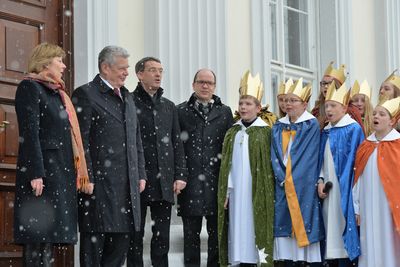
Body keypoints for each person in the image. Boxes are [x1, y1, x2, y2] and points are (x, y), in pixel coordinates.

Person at [13, 43, 91, 266]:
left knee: (48, 237)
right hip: (43, 174)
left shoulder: (57, 93)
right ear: (46, 62)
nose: (64, 65)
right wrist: (35, 172)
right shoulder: (30, 88)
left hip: (59, 173)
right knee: (37, 236)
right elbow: (30, 133)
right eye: (59, 60)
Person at [72, 45, 146, 267]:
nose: (126, 73)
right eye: (121, 68)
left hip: (128, 188)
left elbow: (136, 139)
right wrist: (87, 177)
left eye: (127, 68)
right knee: (94, 251)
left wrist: (141, 173)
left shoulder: (128, 97)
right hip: (99, 188)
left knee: (119, 250)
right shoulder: (86, 94)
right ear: (105, 67)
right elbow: (80, 141)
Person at [128, 57, 187, 267]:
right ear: (139, 74)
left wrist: (180, 175)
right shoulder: (128, 102)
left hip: (165, 181)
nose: (158, 74)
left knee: (162, 236)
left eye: (160, 70)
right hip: (138, 179)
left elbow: (176, 143)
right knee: (135, 235)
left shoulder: (168, 106)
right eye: (152, 70)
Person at [177, 68, 233, 267]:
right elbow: (177, 147)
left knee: (216, 237)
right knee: (190, 236)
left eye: (209, 83)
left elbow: (229, 148)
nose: (205, 86)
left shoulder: (224, 112)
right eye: (201, 82)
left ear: (214, 86)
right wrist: (180, 175)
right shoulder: (181, 111)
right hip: (190, 183)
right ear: (193, 85)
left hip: (216, 182)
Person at [218, 71, 275, 267]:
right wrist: (227, 190)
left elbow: (269, 165)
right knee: (236, 228)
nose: (243, 107)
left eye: (248, 103)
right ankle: (239, 260)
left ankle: (254, 260)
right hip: (236, 192)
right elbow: (228, 166)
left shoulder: (265, 132)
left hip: (256, 189)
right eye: (241, 103)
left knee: (253, 226)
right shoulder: (233, 132)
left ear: (259, 108)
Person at [271, 78, 324, 266]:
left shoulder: (310, 125)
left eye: (293, 100)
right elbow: (275, 155)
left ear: (305, 104)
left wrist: (293, 177)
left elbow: (308, 157)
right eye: (286, 100)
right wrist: (281, 175)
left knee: (303, 226)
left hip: (303, 186)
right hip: (282, 185)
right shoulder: (278, 126)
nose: (288, 104)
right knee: (285, 232)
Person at [317, 82, 364, 266]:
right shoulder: (326, 131)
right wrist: (320, 180)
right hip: (329, 191)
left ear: (344, 108)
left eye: (333, 105)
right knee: (331, 235)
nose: (328, 109)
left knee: (344, 231)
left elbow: (359, 165)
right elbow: (321, 162)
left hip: (345, 191)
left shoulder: (353, 129)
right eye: (326, 105)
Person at [353, 97, 400, 267]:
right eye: (374, 113)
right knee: (369, 242)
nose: (376, 117)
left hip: (389, 208)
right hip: (368, 206)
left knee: (389, 245)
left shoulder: (398, 145)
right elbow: (358, 178)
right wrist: (356, 206)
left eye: (382, 114)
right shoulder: (366, 145)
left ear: (392, 121)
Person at [311, 62, 364, 132]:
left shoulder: (352, 111)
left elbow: (358, 137)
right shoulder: (316, 111)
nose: (326, 86)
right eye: (323, 83)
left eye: (330, 83)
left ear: (338, 86)